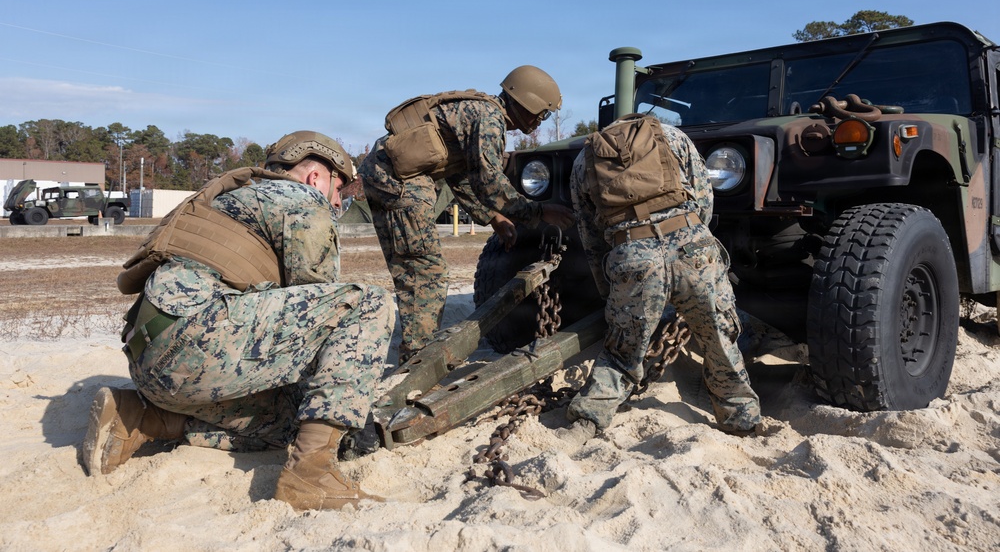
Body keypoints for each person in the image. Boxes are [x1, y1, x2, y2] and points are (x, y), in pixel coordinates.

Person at [82, 131, 395, 511]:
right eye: (339, 194)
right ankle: (311, 476)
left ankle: (144, 419)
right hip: (198, 341)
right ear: (318, 178)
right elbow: (324, 310)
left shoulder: (223, 199)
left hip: (149, 361)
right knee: (368, 303)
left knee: (291, 422)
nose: (335, 203)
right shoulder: (302, 199)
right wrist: (350, 406)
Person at [563, 113, 761, 440]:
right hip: (693, 249)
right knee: (719, 342)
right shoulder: (672, 136)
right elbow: (704, 200)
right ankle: (741, 420)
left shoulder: (585, 159)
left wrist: (609, 287)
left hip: (632, 257)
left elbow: (590, 236)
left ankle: (587, 421)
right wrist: (691, 238)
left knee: (622, 350)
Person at [359, 66, 576, 360]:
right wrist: (538, 213)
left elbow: (460, 174)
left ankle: (415, 350)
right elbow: (489, 182)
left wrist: (492, 217)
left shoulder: (482, 112)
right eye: (543, 113)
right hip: (398, 181)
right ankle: (417, 359)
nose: (541, 121)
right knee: (425, 271)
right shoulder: (489, 119)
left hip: (388, 175)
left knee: (415, 268)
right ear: (529, 104)